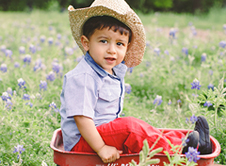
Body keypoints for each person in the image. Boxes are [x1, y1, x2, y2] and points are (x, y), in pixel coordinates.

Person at [59, 0, 212, 163]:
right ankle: (181, 149)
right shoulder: (83, 76)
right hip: (83, 143)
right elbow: (82, 119)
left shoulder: (110, 71)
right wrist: (101, 148)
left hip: (99, 136)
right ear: (86, 42)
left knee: (138, 128)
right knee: (130, 127)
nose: (111, 49)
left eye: (119, 44)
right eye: (103, 41)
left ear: (127, 47)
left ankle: (188, 139)